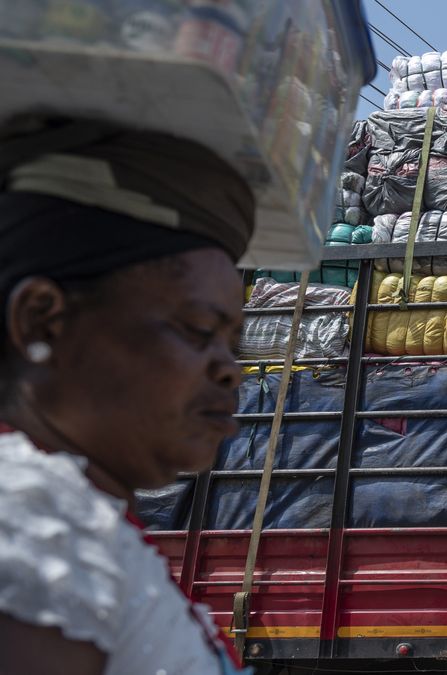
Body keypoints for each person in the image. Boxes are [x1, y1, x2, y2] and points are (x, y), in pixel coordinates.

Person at [0, 116, 255, 674]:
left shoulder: (81, 524)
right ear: (42, 322)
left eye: (233, 343)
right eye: (197, 330)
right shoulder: (26, 526)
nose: (230, 371)